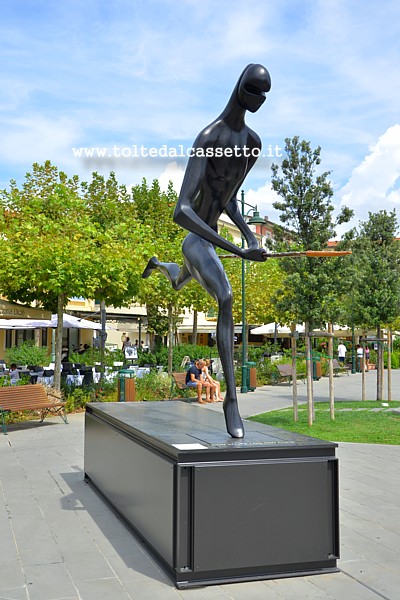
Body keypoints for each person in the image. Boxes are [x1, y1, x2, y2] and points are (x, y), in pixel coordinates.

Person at [142, 64, 271, 438]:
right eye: (254, 91)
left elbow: (228, 200)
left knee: (181, 281)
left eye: (265, 95)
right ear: (240, 89)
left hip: (209, 238)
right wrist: (236, 249)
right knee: (226, 297)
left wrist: (250, 237)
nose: (260, 100)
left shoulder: (253, 144)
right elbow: (181, 211)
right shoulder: (209, 137)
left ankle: (161, 266)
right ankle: (232, 401)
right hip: (196, 238)